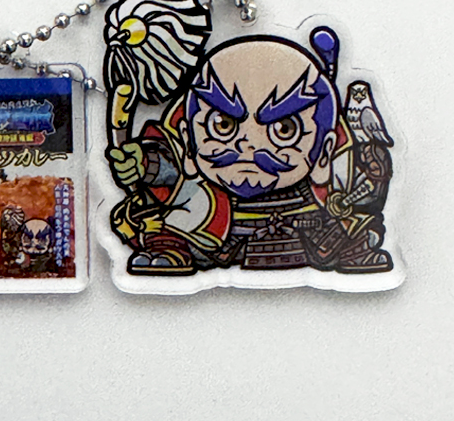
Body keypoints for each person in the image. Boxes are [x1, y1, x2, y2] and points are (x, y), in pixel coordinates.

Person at [107, 31, 393, 276]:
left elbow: (361, 187)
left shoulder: (332, 169)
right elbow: (169, 167)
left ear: (324, 152)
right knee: (171, 227)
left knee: (356, 230)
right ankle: (170, 253)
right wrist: (145, 163)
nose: (248, 145)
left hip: (310, 228)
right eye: (223, 125)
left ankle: (356, 251)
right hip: (220, 234)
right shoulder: (194, 175)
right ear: (188, 140)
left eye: (283, 129)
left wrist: (375, 164)